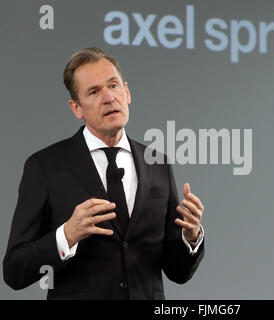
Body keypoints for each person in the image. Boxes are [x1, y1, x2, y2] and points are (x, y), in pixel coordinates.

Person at [3, 47, 205, 299]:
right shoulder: (45, 166)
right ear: (76, 108)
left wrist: (191, 236)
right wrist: (67, 235)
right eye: (94, 91)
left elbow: (178, 272)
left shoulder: (158, 164)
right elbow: (14, 271)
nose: (109, 97)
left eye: (113, 86)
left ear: (127, 92)